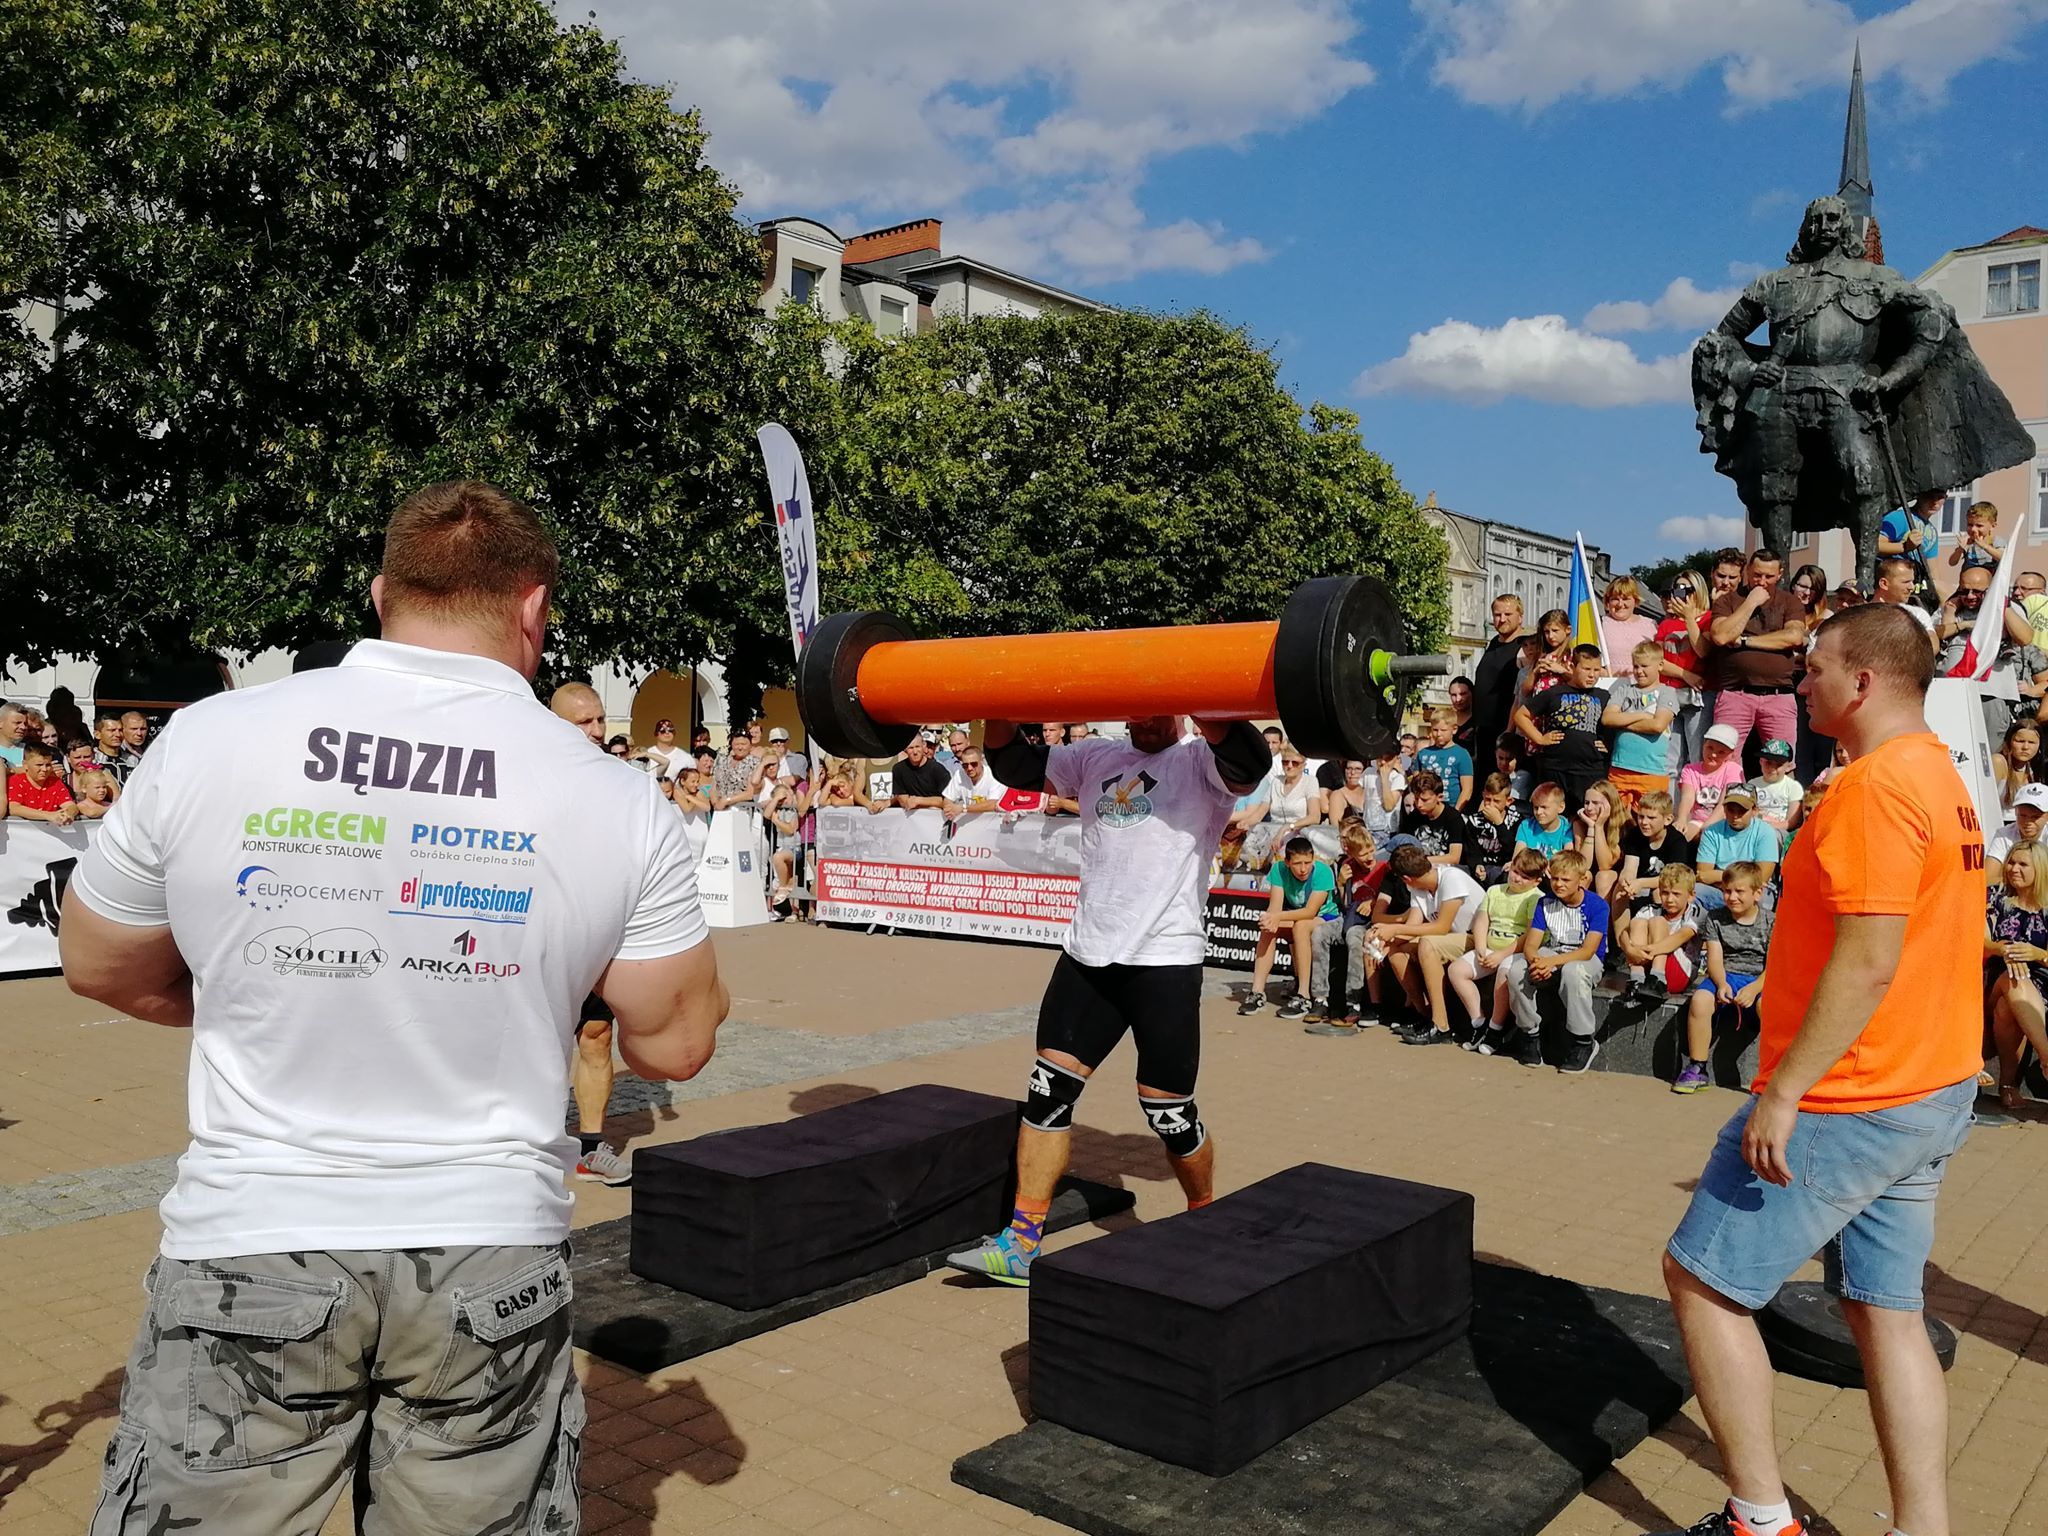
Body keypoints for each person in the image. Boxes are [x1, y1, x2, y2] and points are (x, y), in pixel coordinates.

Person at [61, 479, 727, 1535]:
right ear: (534, 608)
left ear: (382, 595)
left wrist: (259, 999)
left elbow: (99, 965)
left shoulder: (210, 739)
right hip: (486, 1245)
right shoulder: (614, 794)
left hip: (255, 1233)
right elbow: (677, 1044)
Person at [1658, 602, 1983, 1536]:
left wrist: (1786, 1091)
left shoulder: (1878, 786)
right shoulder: (1937, 773)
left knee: (1703, 1283)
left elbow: (1870, 959)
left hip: (1853, 1095)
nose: (1800, 684)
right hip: (1929, 1084)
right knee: (1886, 1312)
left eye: (1814, 668)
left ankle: (1762, 1522)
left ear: (1864, 681)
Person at [947, 712, 1265, 1284]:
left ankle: (1203, 1215)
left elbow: (1250, 762)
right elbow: (1015, 765)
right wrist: (997, 703)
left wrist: (1200, 694)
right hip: (1088, 954)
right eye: (1137, 709)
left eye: (1159, 709)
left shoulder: (1200, 760)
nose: (1147, 721)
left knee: (1169, 1114)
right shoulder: (1095, 755)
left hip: (1165, 959)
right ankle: (1021, 1244)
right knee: (1047, 1095)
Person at [547, 682, 641, 1187]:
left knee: (597, 1036)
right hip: (541, 931)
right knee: (535, 1039)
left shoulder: (619, 781)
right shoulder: (532, 775)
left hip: (600, 930)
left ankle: (589, 1148)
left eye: (600, 719)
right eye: (584, 722)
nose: (598, 730)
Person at [1501, 848, 1609, 1073]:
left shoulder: (1598, 906)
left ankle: (1583, 1041)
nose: (1559, 884)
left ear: (1581, 880)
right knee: (1516, 970)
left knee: (1573, 972)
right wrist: (1537, 962)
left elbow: (1587, 951)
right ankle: (1530, 1034)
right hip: (1553, 952)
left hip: (1585, 959)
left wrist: (1551, 963)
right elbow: (1531, 946)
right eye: (1555, 878)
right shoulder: (1545, 903)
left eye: (1565, 880)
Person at [1699, 547, 1805, 765]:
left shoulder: (1790, 601)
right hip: (1735, 694)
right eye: (1757, 575)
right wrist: (1750, 602)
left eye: (1769, 576)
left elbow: (1794, 637)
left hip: (1779, 695)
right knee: (1723, 762)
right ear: (1747, 570)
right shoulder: (1728, 600)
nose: (1762, 582)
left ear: (1780, 574)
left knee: (1782, 763)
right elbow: (1721, 636)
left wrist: (1745, 641)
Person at [1677, 861, 1774, 1095]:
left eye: (1739, 891)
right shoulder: (1715, 918)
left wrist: (1754, 989)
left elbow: (1775, 964)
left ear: (1757, 893)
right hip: (1726, 974)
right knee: (1700, 1000)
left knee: (1768, 1006)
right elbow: (1715, 958)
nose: (1732, 897)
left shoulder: (1772, 921)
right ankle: (1697, 1067)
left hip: (1760, 978)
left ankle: (1773, 1072)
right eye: (1727, 891)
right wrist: (1721, 984)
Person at [1388, 846, 1486, 1046]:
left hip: (1476, 937)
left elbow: (1441, 927)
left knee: (1427, 944)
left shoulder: (1451, 878)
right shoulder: (1416, 887)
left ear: (1406, 878)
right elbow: (1413, 926)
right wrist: (1385, 939)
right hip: (1450, 938)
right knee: (1395, 950)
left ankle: (1441, 1026)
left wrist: (1394, 930)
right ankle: (1423, 1014)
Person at [1456, 847, 1547, 1056]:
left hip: (1515, 951)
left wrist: (1501, 954)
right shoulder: (1494, 891)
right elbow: (1482, 920)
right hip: (1489, 947)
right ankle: (1478, 1022)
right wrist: (1481, 948)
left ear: (1536, 881)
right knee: (1457, 971)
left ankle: (1495, 1028)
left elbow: (1530, 935)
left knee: (1504, 974)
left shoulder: (1536, 898)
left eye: (1525, 877)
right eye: (1515, 872)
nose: (1517, 879)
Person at [1240, 835, 1336, 1018]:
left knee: (1301, 926)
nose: (1303, 869)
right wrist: (1270, 919)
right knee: (1269, 928)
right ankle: (1257, 991)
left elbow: (1310, 912)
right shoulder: (1278, 869)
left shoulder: (1323, 872)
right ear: (1287, 862)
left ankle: (1304, 995)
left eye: (1307, 863)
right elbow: (1275, 907)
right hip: (1295, 914)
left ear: (1313, 859)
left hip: (1325, 916)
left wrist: (1276, 917)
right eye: (1297, 863)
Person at [1985, 840, 2048, 1112]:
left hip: (2040, 989)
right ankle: (2047, 1058)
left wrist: (2038, 953)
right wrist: (2002, 949)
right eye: (2011, 862)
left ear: (2040, 869)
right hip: (1996, 979)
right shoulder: (1996, 897)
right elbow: (1981, 939)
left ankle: (2008, 1086)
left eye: (2023, 864)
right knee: (2015, 978)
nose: (2013, 869)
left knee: (2006, 1009)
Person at [1513, 643, 1608, 813]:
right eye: (1586, 669)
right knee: (1552, 815)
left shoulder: (1603, 696)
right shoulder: (1554, 693)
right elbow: (1521, 715)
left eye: (1596, 670)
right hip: (1556, 768)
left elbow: (1614, 723)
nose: (1592, 675)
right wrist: (1539, 738)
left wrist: (1609, 742)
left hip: (1590, 770)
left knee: (1586, 818)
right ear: (1572, 666)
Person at [1620, 863, 1703, 1015]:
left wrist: (1643, 951)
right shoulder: (1651, 909)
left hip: (1679, 972)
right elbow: (1624, 934)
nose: (1669, 899)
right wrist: (1630, 950)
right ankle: (1636, 981)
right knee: (1637, 922)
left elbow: (1679, 938)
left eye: (1676, 894)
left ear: (1691, 895)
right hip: (1646, 964)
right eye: (1665, 893)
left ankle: (1658, 979)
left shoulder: (1696, 913)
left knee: (1658, 921)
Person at [1602, 640, 1677, 806]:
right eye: (1636, 666)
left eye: (1644, 666)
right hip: (1620, 769)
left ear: (1660, 665)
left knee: (1649, 817)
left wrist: (1622, 720)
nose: (1639, 671)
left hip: (1652, 771)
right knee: (1617, 817)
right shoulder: (1624, 690)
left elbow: (1657, 726)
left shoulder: (1667, 692)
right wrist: (1642, 715)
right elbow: (1608, 719)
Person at [1694, 786, 1780, 911]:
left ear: (1754, 810)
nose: (1735, 816)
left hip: (1752, 891)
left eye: (1741, 811)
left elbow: (1760, 878)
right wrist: (1730, 885)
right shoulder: (1711, 832)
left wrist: (1719, 875)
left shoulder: (1766, 832)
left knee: (1760, 898)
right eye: (1731, 810)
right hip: (1721, 891)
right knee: (1694, 891)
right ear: (1724, 809)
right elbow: (1703, 875)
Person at [1659, 570, 1712, 775]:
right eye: (1676, 589)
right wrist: (1685, 674)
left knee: (1697, 755)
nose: (1680, 594)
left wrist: (1690, 617)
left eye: (1686, 590)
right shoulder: (1666, 624)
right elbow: (1658, 661)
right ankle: (1671, 796)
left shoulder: (1709, 618)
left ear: (1698, 591)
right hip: (1670, 693)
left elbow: (1703, 651)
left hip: (1698, 696)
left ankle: (1696, 795)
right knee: (1670, 760)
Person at [1471, 594, 1531, 767]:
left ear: (1520, 617)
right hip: (1483, 732)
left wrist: (1509, 731)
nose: (1502, 619)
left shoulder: (1525, 647)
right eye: (1497, 615)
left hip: (1507, 733)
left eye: (1508, 614)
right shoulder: (1493, 643)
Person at [1615, 789, 1695, 917]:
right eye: (1641, 816)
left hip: (1663, 885)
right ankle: (1621, 930)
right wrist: (1626, 881)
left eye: (1651, 818)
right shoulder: (1634, 835)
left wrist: (1641, 883)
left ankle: (1660, 926)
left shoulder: (1677, 841)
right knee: (1620, 891)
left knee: (1659, 892)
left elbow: (1673, 879)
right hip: (1638, 885)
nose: (1644, 822)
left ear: (1668, 819)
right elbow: (1630, 867)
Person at [1876, 487, 1944, 603]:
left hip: (1916, 581)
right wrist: (1904, 547)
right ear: (1920, 496)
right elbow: (1876, 546)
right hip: (1893, 580)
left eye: (1940, 497)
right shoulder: (1898, 518)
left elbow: (1932, 569)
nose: (1935, 502)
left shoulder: (1932, 531)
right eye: (1930, 496)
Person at [1677, 722, 1746, 834]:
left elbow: (1724, 803)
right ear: (1703, 744)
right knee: (1680, 835)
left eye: (1721, 752)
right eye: (1710, 748)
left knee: (1710, 834)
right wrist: (1682, 819)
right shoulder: (1690, 770)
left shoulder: (1734, 770)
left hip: (1724, 822)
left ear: (1731, 754)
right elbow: (1687, 798)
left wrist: (1707, 827)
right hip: (1697, 821)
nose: (1713, 754)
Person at [1574, 778, 1628, 905]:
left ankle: (1603, 917)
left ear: (1610, 804)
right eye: (1587, 803)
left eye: (1595, 803)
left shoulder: (1623, 825)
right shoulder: (1580, 824)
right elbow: (1584, 865)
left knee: (1603, 876)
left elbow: (1605, 865)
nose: (1589, 808)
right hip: (1589, 877)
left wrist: (1599, 827)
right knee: (1584, 875)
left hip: (1613, 880)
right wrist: (1591, 828)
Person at [1396, 768, 1466, 867]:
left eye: (1424, 800)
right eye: (1416, 799)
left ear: (1439, 797)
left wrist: (1419, 860)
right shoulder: (1414, 816)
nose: (1419, 804)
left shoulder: (1453, 818)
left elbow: (1454, 857)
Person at [1464, 771, 1522, 885]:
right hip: (1482, 868)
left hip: (1503, 869)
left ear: (1508, 801)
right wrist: (1476, 864)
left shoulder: (1517, 820)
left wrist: (1499, 824)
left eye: (1496, 801)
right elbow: (1471, 850)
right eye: (1487, 799)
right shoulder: (1474, 821)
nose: (1490, 805)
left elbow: (1512, 849)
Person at [1745, 740, 1803, 848]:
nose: (1772, 768)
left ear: (1789, 766)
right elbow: (1746, 812)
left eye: (1778, 765)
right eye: (1768, 762)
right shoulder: (1752, 784)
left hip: (1779, 831)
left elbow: (1791, 822)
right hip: (1753, 827)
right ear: (1761, 761)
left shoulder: (1793, 787)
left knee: (1770, 836)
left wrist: (1769, 827)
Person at [1599, 576, 1658, 680]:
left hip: (1643, 686)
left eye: (1625, 599)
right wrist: (1602, 672)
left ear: (1635, 600)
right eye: (1615, 599)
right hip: (1609, 686)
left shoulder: (1651, 625)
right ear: (1608, 601)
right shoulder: (1600, 624)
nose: (1620, 604)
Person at [7, 739, 80, 823]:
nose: (44, 769)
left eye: (48, 765)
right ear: (25, 765)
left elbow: (70, 805)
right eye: (39, 765)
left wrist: (68, 814)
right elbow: (14, 809)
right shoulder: (15, 781)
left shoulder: (55, 783)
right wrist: (48, 815)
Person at [1872, 555, 1938, 646]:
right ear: (1884, 584)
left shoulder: (1917, 614)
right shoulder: (1862, 615)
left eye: (1912, 582)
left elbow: (1933, 645)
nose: (1912, 587)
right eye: (1905, 582)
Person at [1416, 706, 1473, 809]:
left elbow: (1467, 789)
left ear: (1454, 729)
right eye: (1435, 730)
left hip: (1451, 808)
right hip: (1426, 808)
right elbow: (1416, 784)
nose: (1438, 734)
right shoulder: (1422, 754)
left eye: (1443, 730)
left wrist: (1455, 812)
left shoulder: (1462, 754)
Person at [1988, 781, 2048, 868]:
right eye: (2023, 815)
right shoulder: (2004, 835)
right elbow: (1990, 872)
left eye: (2035, 817)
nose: (2028, 822)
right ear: (2016, 812)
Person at [889, 732, 953, 810]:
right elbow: (903, 801)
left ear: (924, 745)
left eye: (917, 747)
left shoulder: (938, 769)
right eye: (911, 748)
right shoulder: (898, 769)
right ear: (905, 749)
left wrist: (919, 801)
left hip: (935, 815)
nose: (915, 752)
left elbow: (948, 800)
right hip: (910, 815)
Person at [1513, 781, 1572, 859]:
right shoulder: (1526, 826)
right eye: (1536, 807)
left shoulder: (1567, 830)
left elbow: (1568, 861)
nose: (1539, 812)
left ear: (1561, 807)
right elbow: (1517, 859)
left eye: (1544, 807)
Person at [709, 727, 764, 809]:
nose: (740, 747)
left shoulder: (754, 762)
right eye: (737, 744)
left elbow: (749, 793)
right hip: (719, 809)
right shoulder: (721, 760)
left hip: (742, 809)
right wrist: (715, 802)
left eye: (743, 744)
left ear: (750, 745)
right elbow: (714, 785)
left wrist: (727, 800)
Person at [1995, 720, 2042, 814]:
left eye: (2031, 742)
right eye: (2020, 741)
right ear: (2009, 741)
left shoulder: (2033, 769)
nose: (2025, 747)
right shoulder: (1999, 762)